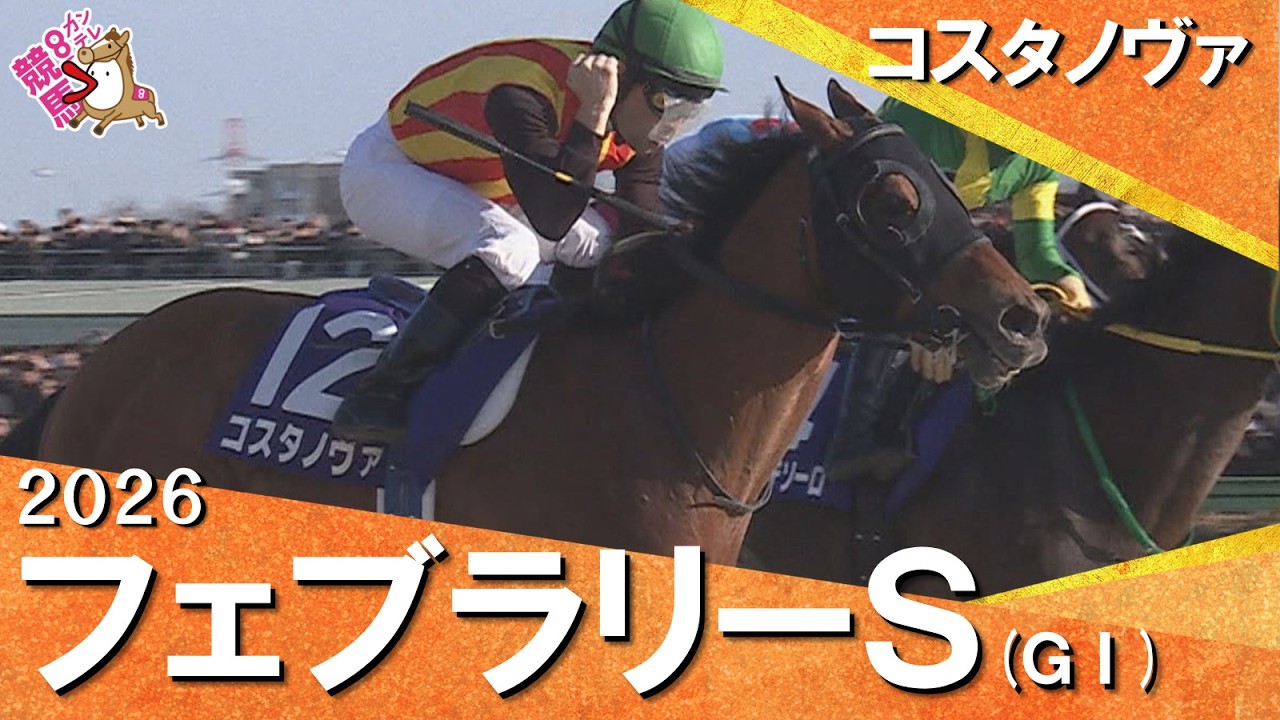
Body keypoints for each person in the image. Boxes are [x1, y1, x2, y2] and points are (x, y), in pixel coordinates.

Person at [332, 0, 726, 443]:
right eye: (665, 103)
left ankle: (562, 367)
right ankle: (377, 396)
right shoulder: (523, 93)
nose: (671, 127)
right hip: (389, 171)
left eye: (689, 111)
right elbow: (553, 217)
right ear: (622, 75)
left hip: (490, 189)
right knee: (511, 249)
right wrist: (593, 115)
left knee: (599, 243)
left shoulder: (637, 128)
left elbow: (642, 231)